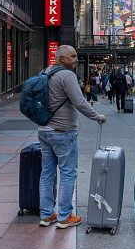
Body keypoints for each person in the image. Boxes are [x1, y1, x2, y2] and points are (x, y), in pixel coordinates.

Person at [38, 45, 106, 228]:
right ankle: (65, 216)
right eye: (73, 56)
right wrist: (97, 117)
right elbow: (80, 102)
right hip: (63, 132)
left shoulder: (44, 72)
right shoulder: (66, 76)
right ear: (61, 59)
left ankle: (46, 215)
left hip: (44, 131)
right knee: (68, 173)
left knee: (47, 173)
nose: (76, 59)